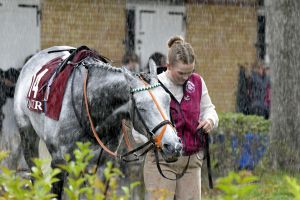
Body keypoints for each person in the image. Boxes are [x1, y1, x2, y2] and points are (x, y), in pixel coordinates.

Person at [143, 36, 219, 200]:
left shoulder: (197, 82)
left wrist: (210, 120)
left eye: (190, 71)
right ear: (168, 66)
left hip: (191, 161)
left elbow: (209, 109)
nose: (186, 77)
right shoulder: (154, 84)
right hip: (161, 161)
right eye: (181, 73)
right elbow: (140, 125)